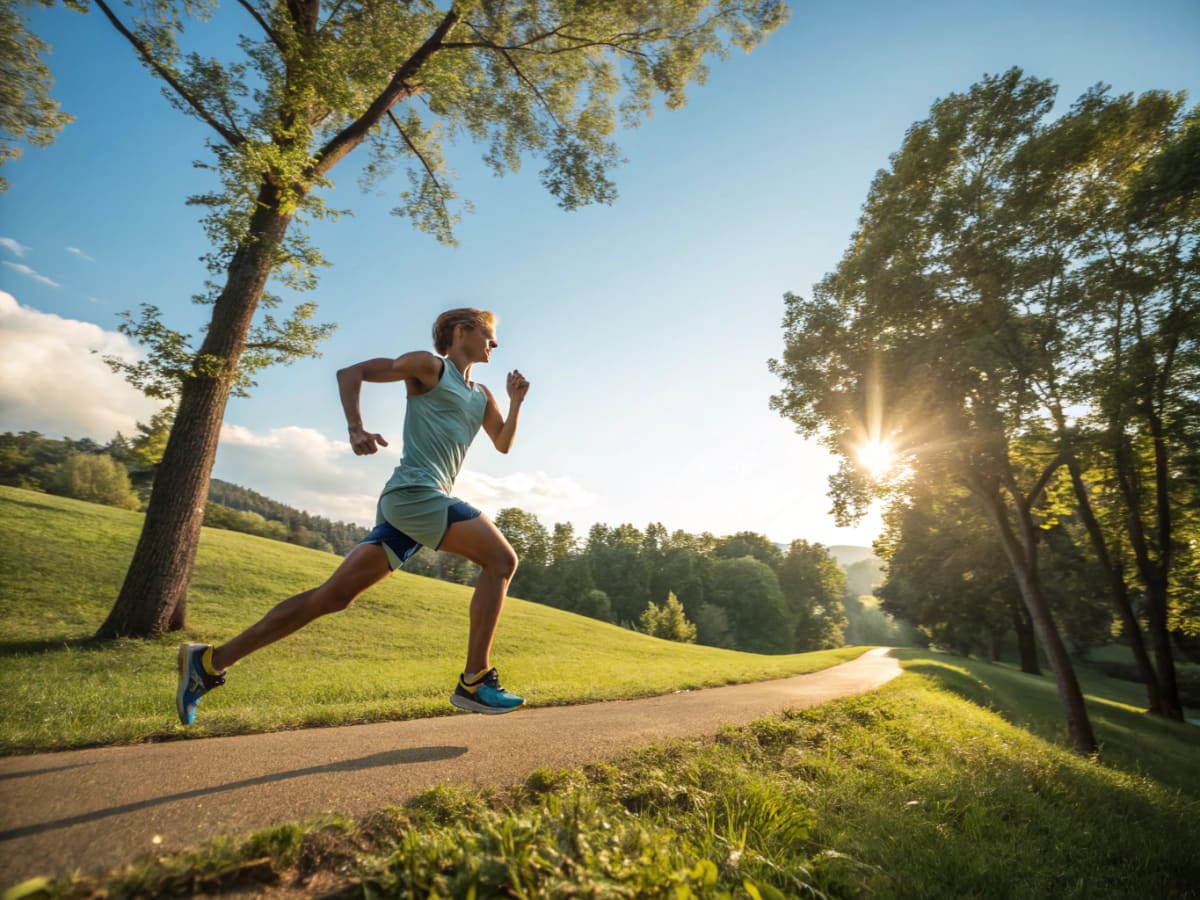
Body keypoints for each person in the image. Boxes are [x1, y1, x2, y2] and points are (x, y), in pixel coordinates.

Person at [176, 307, 529, 725]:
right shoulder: (428, 367)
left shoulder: (482, 395)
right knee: (502, 561)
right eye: (489, 334)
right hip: (414, 493)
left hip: (417, 506)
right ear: (460, 331)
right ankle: (475, 681)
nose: (495, 344)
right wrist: (355, 428)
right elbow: (350, 373)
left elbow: (503, 444)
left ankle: (209, 663)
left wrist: (515, 402)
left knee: (332, 598)